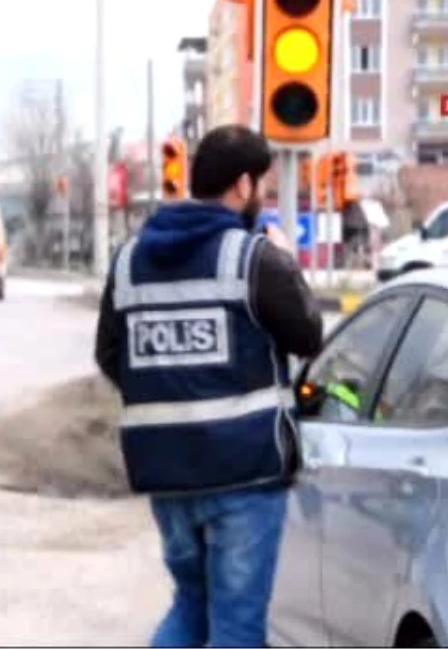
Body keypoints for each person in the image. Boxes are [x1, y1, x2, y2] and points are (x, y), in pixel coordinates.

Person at [93, 124, 324, 646]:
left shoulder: (129, 261)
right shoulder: (254, 259)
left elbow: (110, 354)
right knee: (237, 626)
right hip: (244, 475)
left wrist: (168, 389)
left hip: (166, 475)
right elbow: (308, 336)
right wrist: (287, 261)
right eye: (260, 185)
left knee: (191, 607)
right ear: (243, 186)